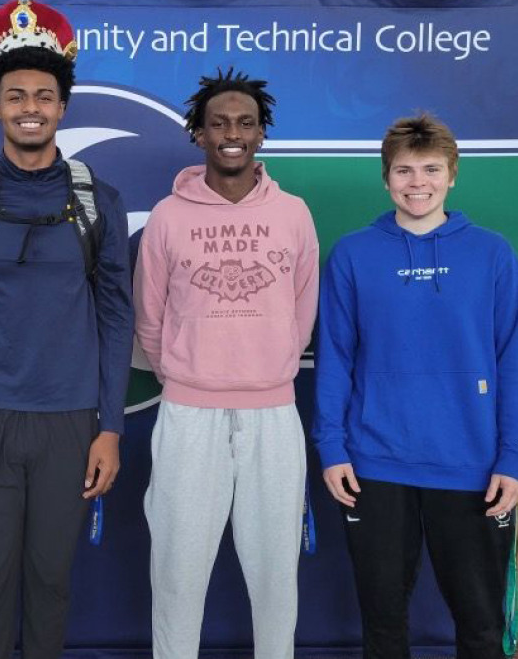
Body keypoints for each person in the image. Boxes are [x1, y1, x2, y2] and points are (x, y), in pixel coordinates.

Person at [0, 0, 134, 659]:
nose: (31, 107)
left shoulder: (99, 201)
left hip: (70, 419)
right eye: (16, 95)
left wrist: (111, 427)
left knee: (50, 579)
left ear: (63, 107)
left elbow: (116, 314)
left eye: (44, 94)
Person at [313, 114, 518, 659]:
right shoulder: (353, 254)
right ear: (385, 179)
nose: (417, 182)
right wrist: (331, 446)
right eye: (404, 170)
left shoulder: (492, 253)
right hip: (374, 463)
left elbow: (511, 359)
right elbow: (334, 357)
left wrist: (512, 458)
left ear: (452, 175)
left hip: (473, 465)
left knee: (480, 626)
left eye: (431, 169)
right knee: (382, 626)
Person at [133, 67, 319, 659]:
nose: (231, 133)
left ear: (261, 133)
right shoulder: (168, 215)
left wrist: (267, 361)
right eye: (219, 123)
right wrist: (191, 372)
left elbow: (303, 307)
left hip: (273, 413)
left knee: (275, 578)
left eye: (244, 122)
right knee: (178, 571)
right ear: (199, 134)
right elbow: (149, 313)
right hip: (189, 412)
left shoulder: (294, 214)